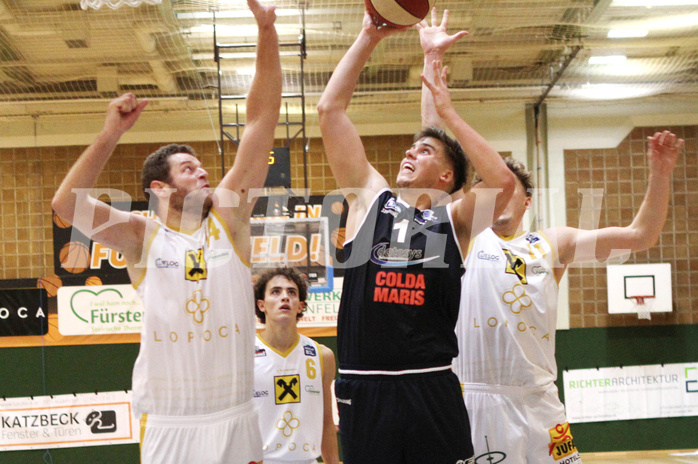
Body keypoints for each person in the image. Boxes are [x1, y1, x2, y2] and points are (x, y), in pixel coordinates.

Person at [417, 10, 685, 463]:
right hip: (472, 398)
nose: (498, 200)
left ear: (526, 203)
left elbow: (640, 236)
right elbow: (433, 144)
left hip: (539, 404)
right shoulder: (462, 235)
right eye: (491, 191)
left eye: (509, 194)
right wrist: (430, 58)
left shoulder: (550, 244)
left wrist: (660, 174)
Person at [51, 1, 281, 462]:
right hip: (171, 424)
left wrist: (267, 30)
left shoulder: (229, 218)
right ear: (159, 187)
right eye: (189, 169)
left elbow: (261, 120)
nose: (203, 175)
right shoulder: (141, 237)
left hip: (235, 416)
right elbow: (66, 205)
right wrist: (110, 133)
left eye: (201, 167)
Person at [316, 8, 516, 464]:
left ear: (446, 175)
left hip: (430, 385)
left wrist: (447, 111)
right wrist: (369, 35)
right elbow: (329, 111)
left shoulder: (456, 221)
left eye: (424, 150)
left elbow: (502, 183)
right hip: (364, 386)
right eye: (412, 146)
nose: (409, 151)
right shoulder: (371, 200)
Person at [252, 267, 339, 464]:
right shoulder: (245, 356)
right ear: (261, 304)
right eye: (276, 292)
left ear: (300, 306)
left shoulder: (322, 356)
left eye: (291, 292)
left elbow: (326, 422)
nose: (285, 297)